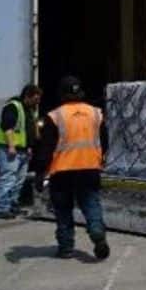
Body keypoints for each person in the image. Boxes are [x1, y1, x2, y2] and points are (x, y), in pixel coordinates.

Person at [32, 76, 109, 260]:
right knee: (91, 204)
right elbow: (105, 141)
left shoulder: (55, 116)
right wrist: (100, 158)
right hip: (90, 167)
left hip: (62, 172)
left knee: (63, 209)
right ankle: (97, 231)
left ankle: (66, 247)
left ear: (62, 94)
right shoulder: (95, 113)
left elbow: (46, 148)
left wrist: (40, 173)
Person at [0, 84, 42, 218]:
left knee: (19, 180)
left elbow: (28, 131)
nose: (37, 102)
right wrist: (11, 146)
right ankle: (3, 208)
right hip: (10, 149)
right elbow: (7, 127)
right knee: (8, 178)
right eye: (35, 99)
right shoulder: (13, 106)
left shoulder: (29, 110)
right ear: (28, 96)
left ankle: (13, 205)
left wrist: (29, 147)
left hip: (23, 150)